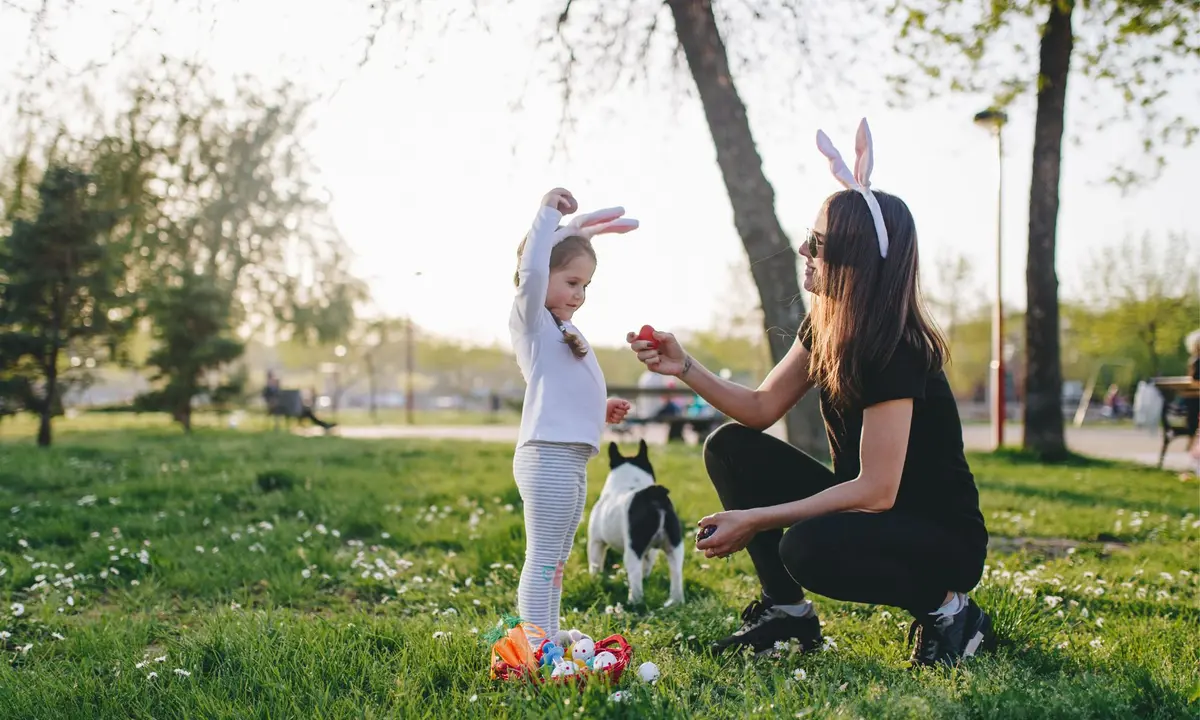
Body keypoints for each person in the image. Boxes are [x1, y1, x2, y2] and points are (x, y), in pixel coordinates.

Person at [627, 119, 994, 668]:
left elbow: (876, 490)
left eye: (817, 243)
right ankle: (788, 615)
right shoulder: (826, 326)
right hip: (874, 513)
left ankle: (950, 613)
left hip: (938, 537)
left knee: (807, 548)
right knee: (729, 446)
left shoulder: (895, 346)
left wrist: (757, 519)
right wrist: (686, 368)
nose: (802, 248)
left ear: (854, 260)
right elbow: (760, 409)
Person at [509, 187, 637, 638]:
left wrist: (599, 410)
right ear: (543, 274)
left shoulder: (563, 330)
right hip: (547, 458)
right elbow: (532, 271)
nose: (580, 295)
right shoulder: (533, 320)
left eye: (585, 286)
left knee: (558, 557)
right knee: (544, 557)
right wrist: (546, 217)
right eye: (571, 283)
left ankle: (547, 629)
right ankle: (534, 641)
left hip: (569, 457)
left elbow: (559, 393)